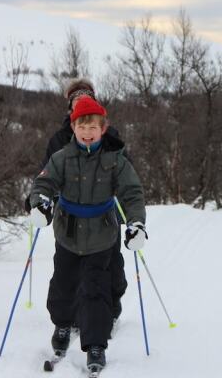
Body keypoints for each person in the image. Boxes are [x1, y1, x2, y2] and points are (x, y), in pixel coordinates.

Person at [29, 96, 147, 373]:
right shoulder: (61, 158)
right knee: (63, 286)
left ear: (103, 129)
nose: (87, 132)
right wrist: (41, 202)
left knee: (96, 291)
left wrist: (136, 224)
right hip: (68, 234)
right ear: (73, 128)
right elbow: (43, 182)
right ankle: (62, 325)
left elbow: (132, 193)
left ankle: (96, 345)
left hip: (102, 236)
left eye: (93, 127)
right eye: (82, 126)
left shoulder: (115, 160)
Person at [25, 79, 129, 325]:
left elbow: (126, 169)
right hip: (70, 213)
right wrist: (36, 202)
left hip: (104, 213)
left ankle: (111, 307)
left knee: (111, 267)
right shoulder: (60, 138)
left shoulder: (109, 134)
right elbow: (46, 173)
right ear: (70, 107)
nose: (81, 100)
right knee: (69, 270)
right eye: (76, 98)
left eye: (86, 96)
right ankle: (70, 319)